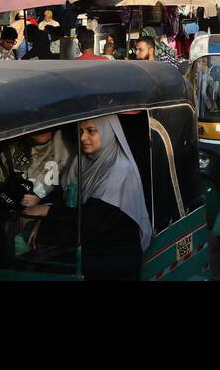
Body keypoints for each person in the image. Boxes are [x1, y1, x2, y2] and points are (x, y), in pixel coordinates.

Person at [23, 116, 151, 281]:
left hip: (113, 257)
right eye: (80, 131)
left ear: (107, 133)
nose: (83, 137)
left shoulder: (120, 171)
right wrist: (44, 216)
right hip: (89, 246)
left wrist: (47, 212)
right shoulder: (81, 161)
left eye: (91, 131)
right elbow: (65, 196)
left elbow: (92, 222)